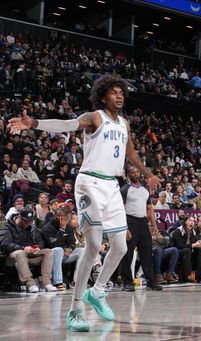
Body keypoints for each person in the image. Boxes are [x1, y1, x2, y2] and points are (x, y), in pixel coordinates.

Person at [7, 74, 161, 332]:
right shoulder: (94, 117)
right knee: (92, 243)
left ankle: (97, 291)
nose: (119, 96)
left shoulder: (124, 123)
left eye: (121, 92)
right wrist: (33, 122)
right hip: (89, 182)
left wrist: (149, 175)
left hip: (112, 185)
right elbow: (67, 124)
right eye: (113, 92)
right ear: (103, 96)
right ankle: (75, 309)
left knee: (121, 247)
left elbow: (130, 153)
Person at [119, 166, 162, 291]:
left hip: (143, 222)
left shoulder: (144, 190)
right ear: (128, 175)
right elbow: (120, 209)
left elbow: (150, 209)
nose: (135, 174)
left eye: (137, 171)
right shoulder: (125, 189)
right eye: (132, 172)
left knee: (147, 252)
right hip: (129, 221)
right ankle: (127, 282)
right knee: (128, 253)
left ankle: (150, 281)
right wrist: (124, 228)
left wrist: (154, 226)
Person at [0, 207, 56, 292]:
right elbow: (5, 244)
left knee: (48, 252)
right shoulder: (8, 227)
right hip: (13, 257)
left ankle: (47, 282)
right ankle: (30, 284)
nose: (27, 223)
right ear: (19, 217)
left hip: (31, 255)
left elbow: (40, 241)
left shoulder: (32, 226)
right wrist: (23, 248)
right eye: (25, 221)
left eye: (29, 221)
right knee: (20, 253)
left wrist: (38, 248)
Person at [41, 204, 82, 290]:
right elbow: (53, 244)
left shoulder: (69, 227)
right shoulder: (47, 228)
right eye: (59, 216)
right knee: (58, 250)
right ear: (56, 216)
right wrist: (62, 230)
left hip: (66, 254)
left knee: (82, 250)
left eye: (64, 217)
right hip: (52, 254)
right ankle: (57, 282)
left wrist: (70, 249)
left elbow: (72, 242)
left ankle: (77, 280)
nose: (62, 219)